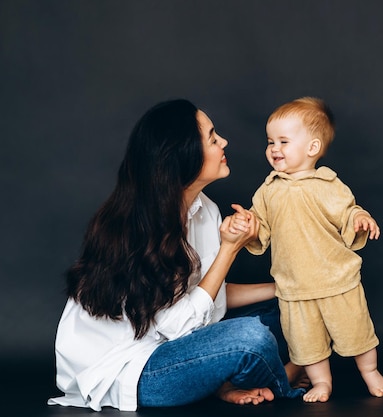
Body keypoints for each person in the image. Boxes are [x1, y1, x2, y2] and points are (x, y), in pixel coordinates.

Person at [47, 99, 306, 412]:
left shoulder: (204, 209)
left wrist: (288, 290)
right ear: (184, 156)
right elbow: (176, 327)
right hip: (133, 368)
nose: (224, 142)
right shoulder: (137, 228)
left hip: (182, 344)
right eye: (212, 138)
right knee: (250, 338)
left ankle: (229, 380)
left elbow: (209, 297)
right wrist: (229, 249)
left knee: (300, 309)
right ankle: (282, 378)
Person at [244, 97, 383, 402]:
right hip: (295, 286)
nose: (274, 148)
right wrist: (248, 227)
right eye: (270, 141)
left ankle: (370, 371)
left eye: (284, 141)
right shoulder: (268, 190)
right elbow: (261, 228)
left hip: (336, 280)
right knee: (305, 342)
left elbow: (347, 211)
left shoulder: (328, 184)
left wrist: (360, 218)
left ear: (312, 148)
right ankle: (321, 382)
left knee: (356, 331)